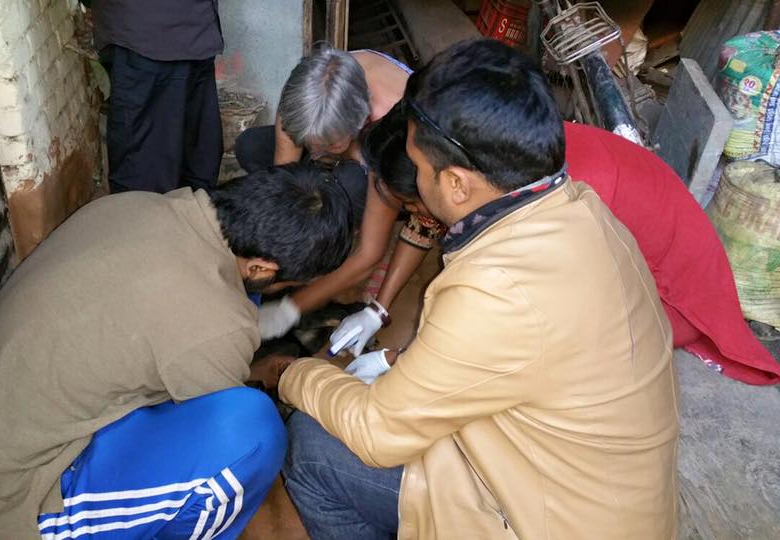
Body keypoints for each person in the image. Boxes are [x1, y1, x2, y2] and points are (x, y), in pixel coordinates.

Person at [278, 39, 679, 539]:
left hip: (548, 521)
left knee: (314, 444)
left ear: (456, 184)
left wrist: (294, 374)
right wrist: (395, 358)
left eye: (416, 167)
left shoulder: (493, 290)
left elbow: (376, 432)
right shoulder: (582, 209)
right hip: (597, 494)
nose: (412, 183)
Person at [0, 163, 355, 539]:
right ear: (262, 267)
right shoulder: (217, 322)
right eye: (289, 283)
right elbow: (210, 418)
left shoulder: (136, 204)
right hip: (23, 501)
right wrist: (286, 379)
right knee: (253, 435)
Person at [333, 111, 780, 385]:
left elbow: (515, 326)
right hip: (631, 233)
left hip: (665, 286)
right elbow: (429, 224)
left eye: (413, 203)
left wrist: (400, 360)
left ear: (451, 182)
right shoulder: (489, 156)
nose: (417, 217)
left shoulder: (552, 216)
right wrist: (379, 310)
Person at [233, 45, 411, 339]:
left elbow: (370, 253)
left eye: (328, 145)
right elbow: (285, 187)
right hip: (346, 141)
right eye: (310, 143)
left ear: (359, 122)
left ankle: (338, 240)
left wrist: (290, 307)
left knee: (347, 187)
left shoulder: (391, 130)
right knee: (252, 146)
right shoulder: (306, 91)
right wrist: (276, 260)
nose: (315, 152)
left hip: (380, 162)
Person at [93, 0, 223, 193]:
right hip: (147, 38)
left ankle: (187, 209)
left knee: (197, 163)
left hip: (194, 34)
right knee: (145, 173)